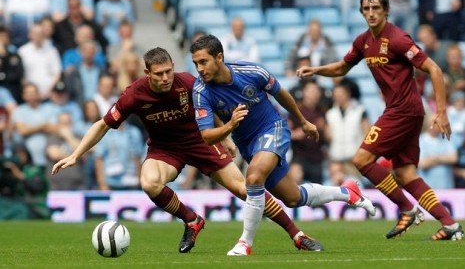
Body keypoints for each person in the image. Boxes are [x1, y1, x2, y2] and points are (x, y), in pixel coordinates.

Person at [52, 47, 336, 254]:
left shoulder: (189, 83)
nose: (165, 78)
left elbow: (209, 106)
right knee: (149, 183)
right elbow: (103, 124)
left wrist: (225, 136)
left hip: (202, 142)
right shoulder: (134, 95)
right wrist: (77, 154)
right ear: (146, 73)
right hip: (165, 149)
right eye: (159, 74)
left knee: (246, 189)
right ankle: (192, 219)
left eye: (168, 71)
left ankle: (296, 235)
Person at [296, 0, 464, 241]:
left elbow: (434, 69)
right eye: (366, 8)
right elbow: (342, 67)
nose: (371, 12)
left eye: (376, 7)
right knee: (406, 174)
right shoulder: (363, 41)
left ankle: (407, 209)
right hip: (400, 111)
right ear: (362, 12)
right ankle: (450, 225)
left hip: (403, 110)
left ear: (386, 11)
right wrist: (317, 70)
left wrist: (441, 112)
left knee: (362, 159)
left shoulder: (398, 38)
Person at [190, 34, 376, 256]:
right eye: (195, 63)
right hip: (247, 144)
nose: (199, 68)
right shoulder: (200, 91)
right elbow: (207, 136)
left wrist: (304, 122)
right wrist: (230, 126)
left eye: (203, 62)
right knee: (293, 197)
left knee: (254, 177)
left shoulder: (251, 72)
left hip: (272, 128)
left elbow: (281, 94)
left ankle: (244, 243)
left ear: (219, 57)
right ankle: (348, 192)